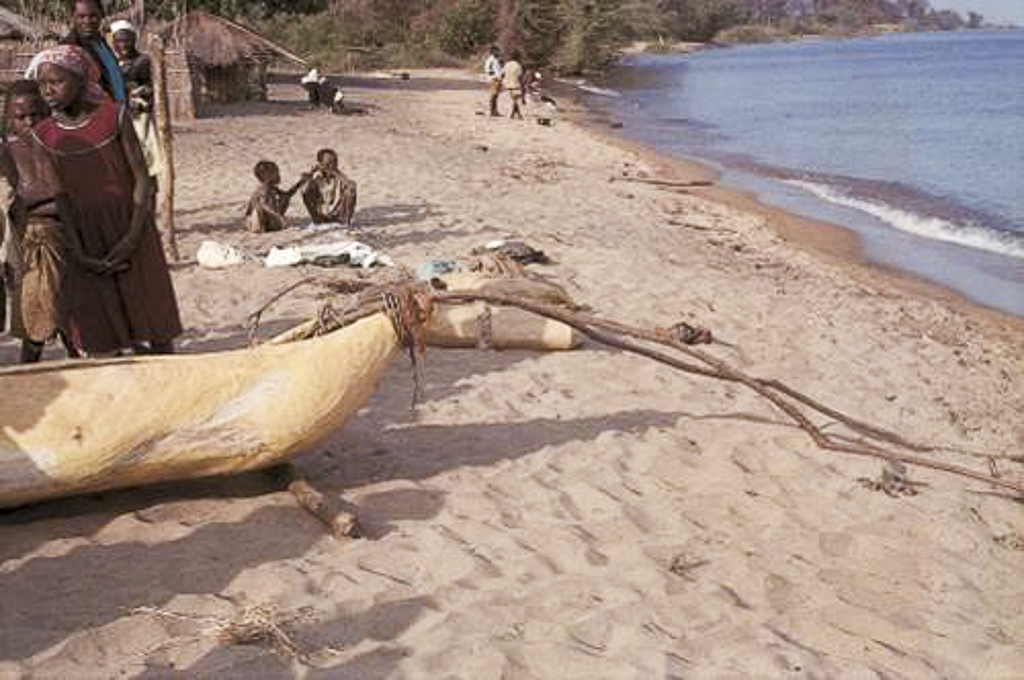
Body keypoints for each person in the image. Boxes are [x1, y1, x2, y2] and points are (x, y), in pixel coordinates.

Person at [30, 45, 182, 355]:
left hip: (130, 226)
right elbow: (58, 195)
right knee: (101, 327)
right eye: (43, 83)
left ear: (80, 79)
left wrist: (132, 236)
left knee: (152, 315)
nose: (48, 90)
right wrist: (76, 248)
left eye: (56, 82)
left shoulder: (115, 116)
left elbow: (141, 177)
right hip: (83, 236)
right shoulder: (43, 135)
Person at [0, 80, 86, 362]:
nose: (29, 122)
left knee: (72, 314)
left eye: (36, 115)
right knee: (35, 317)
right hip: (31, 241)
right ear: (8, 120)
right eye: (20, 117)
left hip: (70, 238)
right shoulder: (6, 154)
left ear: (47, 113)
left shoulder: (65, 148)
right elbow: (16, 201)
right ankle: (29, 371)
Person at [110, 20, 165, 182]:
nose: (123, 45)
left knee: (144, 152)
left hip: (139, 115)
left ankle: (150, 189)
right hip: (118, 115)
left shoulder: (142, 60)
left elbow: (150, 87)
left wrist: (137, 95)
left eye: (127, 40)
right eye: (119, 41)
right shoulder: (111, 63)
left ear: (134, 40)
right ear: (113, 42)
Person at [59, 0, 127, 103]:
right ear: (73, 17)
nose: (87, 21)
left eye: (93, 16)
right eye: (81, 17)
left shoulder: (100, 42)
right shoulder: (69, 48)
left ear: (101, 15)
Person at [245, 160, 307, 233]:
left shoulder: (272, 188)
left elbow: (287, 195)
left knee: (284, 198)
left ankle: (271, 223)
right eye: (276, 173)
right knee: (266, 205)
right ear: (267, 176)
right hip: (257, 222)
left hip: (260, 220)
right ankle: (267, 225)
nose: (279, 176)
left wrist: (300, 183)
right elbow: (264, 204)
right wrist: (277, 215)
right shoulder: (264, 189)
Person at [301, 148, 357, 226]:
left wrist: (336, 172)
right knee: (306, 188)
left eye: (334, 163)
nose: (331, 166)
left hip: (339, 215)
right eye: (328, 163)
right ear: (320, 164)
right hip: (320, 216)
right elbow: (304, 190)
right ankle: (318, 221)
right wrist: (311, 173)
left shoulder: (339, 177)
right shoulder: (315, 178)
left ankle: (345, 222)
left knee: (350, 191)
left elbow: (352, 187)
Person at [502, 51, 525, 120]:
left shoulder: (507, 64)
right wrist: (522, 85)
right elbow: (520, 76)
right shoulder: (518, 65)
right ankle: (516, 114)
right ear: (518, 57)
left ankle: (515, 114)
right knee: (515, 100)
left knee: (513, 99)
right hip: (515, 83)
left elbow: (503, 74)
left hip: (507, 83)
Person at [484, 45, 502, 117]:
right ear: (493, 52)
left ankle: (495, 111)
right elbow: (488, 70)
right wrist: (495, 77)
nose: (498, 52)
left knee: (496, 95)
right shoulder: (490, 60)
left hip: (497, 78)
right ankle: (492, 111)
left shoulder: (496, 60)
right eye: (497, 51)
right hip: (494, 79)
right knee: (493, 95)